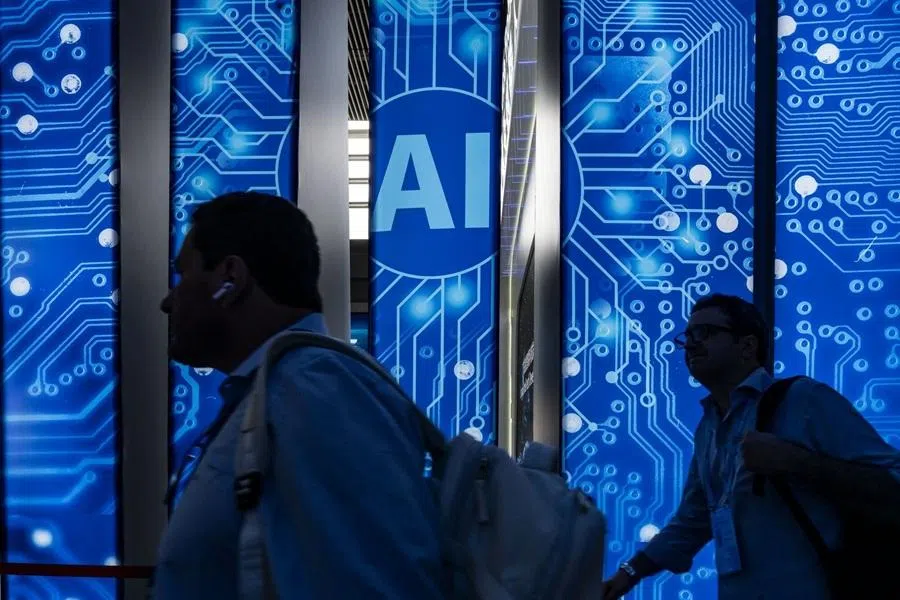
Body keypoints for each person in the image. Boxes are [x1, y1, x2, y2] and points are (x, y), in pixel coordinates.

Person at [152, 191, 444, 599]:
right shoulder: (281, 390)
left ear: (229, 279)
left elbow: (375, 586)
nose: (169, 302)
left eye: (183, 277)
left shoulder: (313, 389)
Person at [601, 293, 900, 600]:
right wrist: (629, 573)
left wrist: (797, 462)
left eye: (705, 333)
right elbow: (693, 519)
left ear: (747, 346)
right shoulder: (708, 428)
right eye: (688, 336)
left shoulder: (803, 400)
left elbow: (892, 485)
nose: (690, 344)